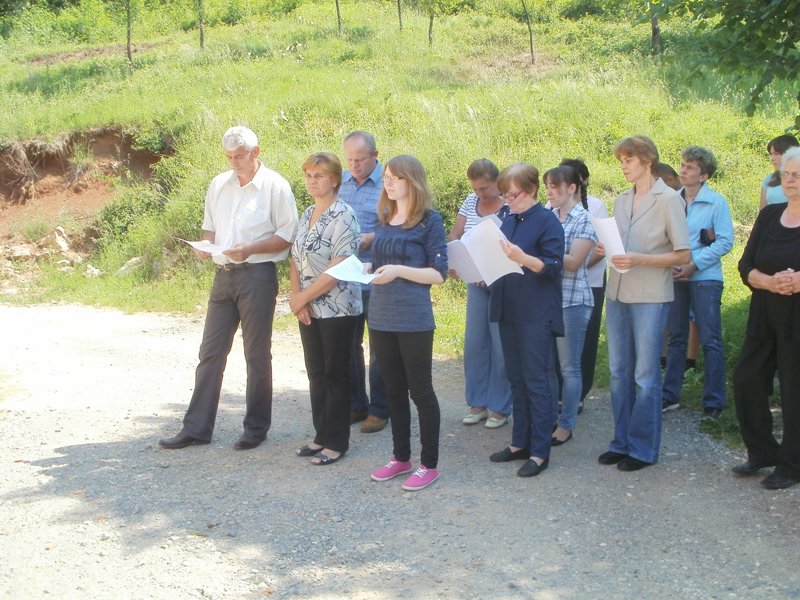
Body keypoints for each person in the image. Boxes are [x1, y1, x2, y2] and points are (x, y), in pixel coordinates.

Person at [159, 126, 298, 450]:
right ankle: (196, 428)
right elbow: (210, 229)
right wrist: (204, 246)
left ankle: (256, 428)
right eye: (229, 157)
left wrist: (250, 249)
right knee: (210, 352)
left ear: (256, 152)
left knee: (256, 354)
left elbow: (287, 235)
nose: (234, 162)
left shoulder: (275, 186)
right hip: (222, 275)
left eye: (240, 156)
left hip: (258, 275)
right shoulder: (219, 184)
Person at [598, 135, 690, 472]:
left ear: (647, 160)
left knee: (645, 374)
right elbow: (619, 246)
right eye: (620, 160)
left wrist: (640, 258)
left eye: (628, 160)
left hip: (651, 295)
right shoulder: (621, 200)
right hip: (618, 293)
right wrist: (605, 249)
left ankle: (643, 447)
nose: (623, 166)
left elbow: (683, 254)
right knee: (619, 372)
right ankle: (621, 441)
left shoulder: (669, 200)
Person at [367, 155, 448, 491]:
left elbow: (438, 274)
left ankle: (429, 464)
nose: (388, 182)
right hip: (381, 317)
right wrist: (366, 274)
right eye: (386, 176)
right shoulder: (384, 220)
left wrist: (399, 271)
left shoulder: (430, 221)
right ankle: (401, 458)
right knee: (394, 390)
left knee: (421, 392)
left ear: (412, 181)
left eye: (395, 177)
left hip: (413, 319)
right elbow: (378, 266)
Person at [489, 163, 564, 478]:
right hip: (508, 306)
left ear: (532, 190)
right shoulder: (507, 218)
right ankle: (519, 441)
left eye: (514, 194)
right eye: (505, 195)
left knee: (536, 380)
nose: (509, 200)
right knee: (515, 377)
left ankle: (539, 451)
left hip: (535, 311)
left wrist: (523, 258)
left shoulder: (548, 222)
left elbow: (553, 266)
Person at [732, 146, 800, 490]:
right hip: (764, 310)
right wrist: (769, 281)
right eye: (787, 175)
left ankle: (792, 465)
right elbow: (745, 266)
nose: (791, 181)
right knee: (747, 378)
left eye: (798, 176)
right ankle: (763, 451)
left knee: (793, 391)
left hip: (797, 316)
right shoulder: (770, 215)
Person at [289, 153, 362, 466]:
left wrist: (303, 298)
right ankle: (321, 435)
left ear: (335, 179)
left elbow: (339, 268)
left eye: (318, 175)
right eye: (308, 175)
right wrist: (297, 297)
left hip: (338, 308)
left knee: (336, 374)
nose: (312, 180)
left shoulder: (344, 215)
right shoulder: (306, 213)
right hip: (308, 307)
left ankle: (337, 441)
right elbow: (294, 257)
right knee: (316, 373)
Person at [661, 146, 734, 418]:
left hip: (705, 278)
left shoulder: (717, 202)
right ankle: (670, 395)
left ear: (703, 175)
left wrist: (695, 263)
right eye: (682, 165)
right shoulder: (672, 200)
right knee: (676, 336)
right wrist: (673, 262)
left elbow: (726, 240)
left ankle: (714, 401)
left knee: (710, 338)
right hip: (677, 276)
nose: (683, 170)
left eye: (690, 167)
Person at [448, 158, 513, 429]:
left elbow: (512, 245)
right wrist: (453, 260)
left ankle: (500, 406)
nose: (480, 194)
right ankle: (477, 402)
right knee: (475, 343)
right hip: (475, 282)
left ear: (497, 183)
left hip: (501, 283)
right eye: (476, 189)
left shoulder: (509, 206)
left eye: (485, 188)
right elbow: (456, 233)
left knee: (501, 345)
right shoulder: (469, 201)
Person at [339, 131, 389, 434]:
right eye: (349, 159)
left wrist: (373, 238)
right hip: (345, 278)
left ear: (375, 155)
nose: (354, 165)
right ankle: (356, 404)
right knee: (347, 344)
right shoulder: (340, 182)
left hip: (377, 278)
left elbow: (403, 227)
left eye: (360, 159)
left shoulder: (390, 183)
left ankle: (381, 409)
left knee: (379, 348)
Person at [545, 166, 597, 446]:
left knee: (569, 367)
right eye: (548, 187)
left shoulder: (585, 219)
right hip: (549, 299)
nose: (549, 192)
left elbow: (575, 261)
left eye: (554, 186)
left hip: (574, 300)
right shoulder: (549, 215)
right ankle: (551, 417)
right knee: (549, 365)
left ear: (572, 188)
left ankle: (566, 425)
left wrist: (539, 250)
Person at [559, 158, 607, 413]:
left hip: (592, 281)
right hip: (562, 284)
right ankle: (560, 393)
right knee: (560, 341)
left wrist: (578, 263)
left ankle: (578, 395)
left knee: (585, 340)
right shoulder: (552, 206)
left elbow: (601, 246)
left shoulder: (596, 207)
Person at [760, 134, 800, 209]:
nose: (772, 159)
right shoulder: (769, 180)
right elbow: (762, 214)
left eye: (776, 154)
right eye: (771, 154)